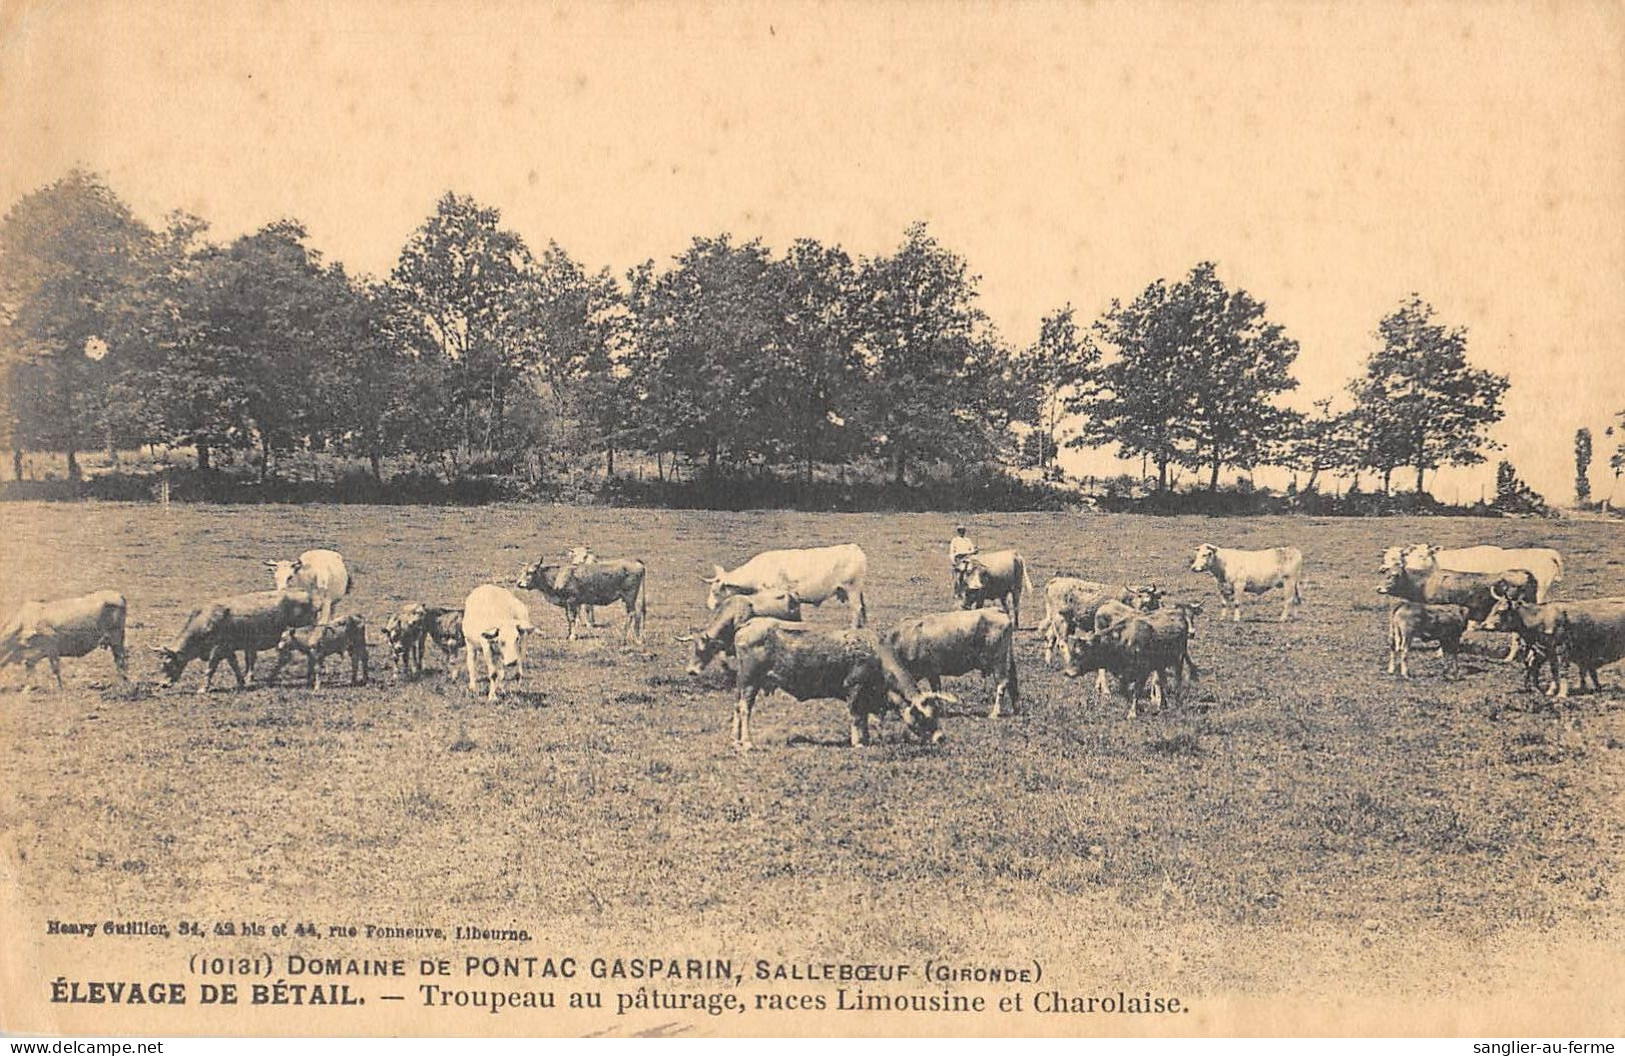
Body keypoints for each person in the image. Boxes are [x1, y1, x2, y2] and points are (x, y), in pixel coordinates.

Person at [949, 524, 978, 591]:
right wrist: (953, 561)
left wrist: (975, 551)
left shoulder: (967, 540)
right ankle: (959, 588)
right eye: (960, 530)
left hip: (968, 558)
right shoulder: (955, 540)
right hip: (959, 559)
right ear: (958, 531)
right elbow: (951, 552)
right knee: (961, 571)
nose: (962, 532)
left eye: (963, 530)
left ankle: (972, 586)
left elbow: (972, 549)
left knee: (973, 570)